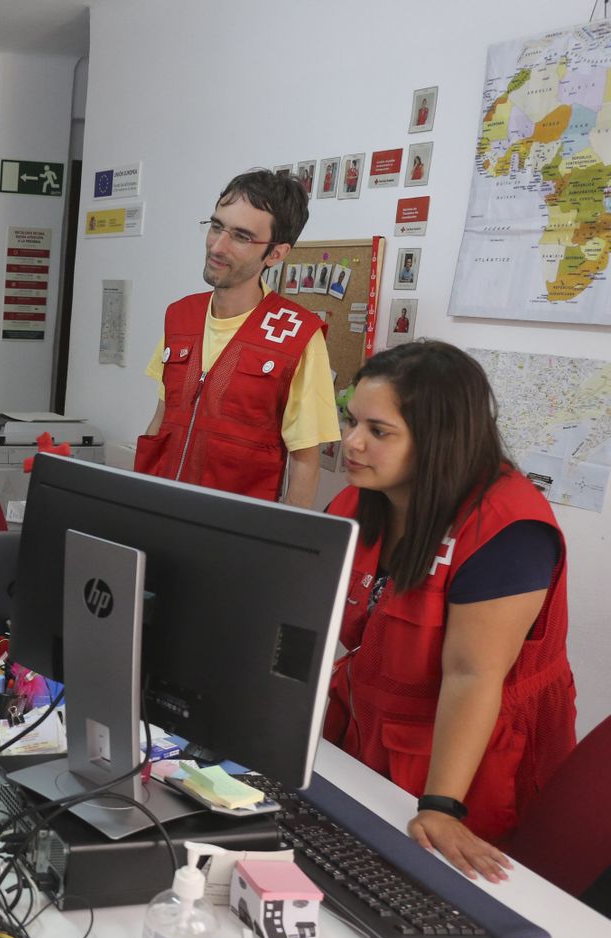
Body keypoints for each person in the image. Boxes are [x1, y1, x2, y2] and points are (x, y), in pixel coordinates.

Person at [325, 341, 577, 881]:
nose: (351, 442)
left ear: (438, 441)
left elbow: (471, 674)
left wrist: (442, 805)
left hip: (468, 757)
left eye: (378, 431)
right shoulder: (358, 499)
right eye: (351, 421)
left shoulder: (508, 530)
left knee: (443, 890)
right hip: (372, 725)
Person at [135, 170, 339, 506]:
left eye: (241, 236)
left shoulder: (297, 336)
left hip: (237, 533)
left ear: (275, 254)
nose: (217, 245)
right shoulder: (180, 316)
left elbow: (305, 464)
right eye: (217, 226)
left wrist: (281, 550)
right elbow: (161, 421)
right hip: (160, 512)